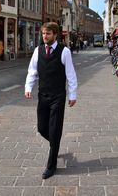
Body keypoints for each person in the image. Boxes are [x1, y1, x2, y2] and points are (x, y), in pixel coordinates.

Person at [25, 22, 78, 179]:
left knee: (55, 129)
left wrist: (72, 95)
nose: (44, 36)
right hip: (43, 95)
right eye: (43, 34)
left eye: (47, 34)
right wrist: (28, 87)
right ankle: (55, 143)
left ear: (55, 35)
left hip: (58, 96)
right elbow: (32, 71)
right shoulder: (38, 50)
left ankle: (51, 165)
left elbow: (71, 74)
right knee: (42, 128)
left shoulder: (65, 52)